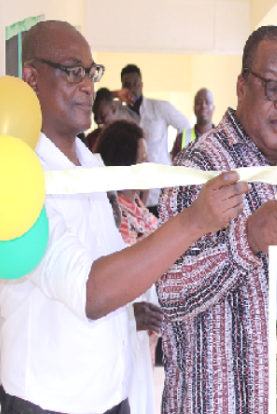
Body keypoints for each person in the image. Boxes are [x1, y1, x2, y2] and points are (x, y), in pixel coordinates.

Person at [0, 20, 248, 414]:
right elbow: (89, 291)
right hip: (47, 400)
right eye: (72, 70)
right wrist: (193, 222)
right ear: (31, 77)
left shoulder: (88, 162)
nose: (87, 85)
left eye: (91, 72)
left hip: (109, 393)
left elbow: (110, 262)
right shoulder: (16, 176)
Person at [157, 25, 277, 414]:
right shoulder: (200, 167)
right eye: (273, 87)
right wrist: (247, 240)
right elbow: (170, 294)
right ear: (242, 87)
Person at [96, 120, 163, 414]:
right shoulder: (108, 214)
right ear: (124, 165)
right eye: (142, 159)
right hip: (118, 336)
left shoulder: (138, 209)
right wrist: (127, 316)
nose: (148, 164)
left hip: (142, 343)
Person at [113, 64, 191, 216]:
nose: (132, 88)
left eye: (135, 84)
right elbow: (96, 101)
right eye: (126, 85)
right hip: (130, 194)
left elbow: (186, 127)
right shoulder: (117, 111)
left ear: (141, 85)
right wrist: (116, 94)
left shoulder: (159, 107)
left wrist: (177, 157)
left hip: (160, 191)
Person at [171, 88, 215, 158]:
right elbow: (174, 167)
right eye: (199, 102)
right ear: (194, 108)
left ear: (213, 108)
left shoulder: (223, 139)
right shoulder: (181, 138)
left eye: (207, 102)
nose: (203, 106)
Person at [85, 87, 117, 151]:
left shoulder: (125, 137)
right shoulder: (90, 140)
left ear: (113, 110)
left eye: (102, 115)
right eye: (96, 116)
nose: (98, 120)